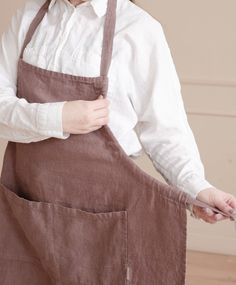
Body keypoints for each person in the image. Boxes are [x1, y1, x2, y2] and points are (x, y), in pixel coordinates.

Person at [0, 0, 235, 226]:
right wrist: (60, 118)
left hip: (102, 213)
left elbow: (164, 129)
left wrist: (197, 189)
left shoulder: (138, 29)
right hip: (25, 206)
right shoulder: (27, 16)